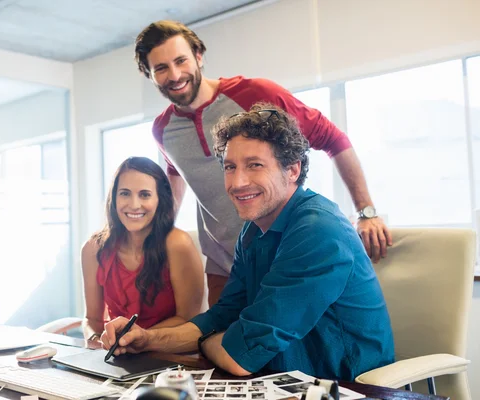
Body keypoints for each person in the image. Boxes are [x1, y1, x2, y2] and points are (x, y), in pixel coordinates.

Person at [100, 104, 394, 380]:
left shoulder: (318, 229)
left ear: (292, 170)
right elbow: (223, 316)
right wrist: (147, 338)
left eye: (254, 165)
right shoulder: (253, 230)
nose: (237, 182)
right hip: (280, 380)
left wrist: (206, 342)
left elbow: (239, 357)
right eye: (229, 167)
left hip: (347, 386)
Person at [134, 20, 392, 306]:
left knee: (271, 345)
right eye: (161, 68)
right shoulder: (162, 130)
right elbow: (177, 173)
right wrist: (158, 235)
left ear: (198, 56)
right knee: (217, 341)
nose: (175, 74)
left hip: (282, 252)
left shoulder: (257, 94)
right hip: (222, 266)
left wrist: (366, 211)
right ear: (150, 74)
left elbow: (332, 138)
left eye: (181, 60)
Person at [81, 157, 204, 348]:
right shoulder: (93, 248)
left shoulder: (177, 244)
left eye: (145, 195)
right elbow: (92, 320)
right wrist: (97, 341)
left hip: (167, 353)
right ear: (114, 198)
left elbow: (189, 318)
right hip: (118, 355)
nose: (134, 204)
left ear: (159, 200)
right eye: (125, 194)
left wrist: (140, 338)